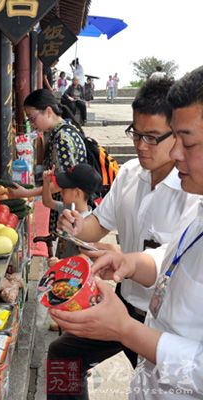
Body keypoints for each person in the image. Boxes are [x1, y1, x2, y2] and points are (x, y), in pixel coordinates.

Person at [51, 65, 203, 399]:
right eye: (135, 133)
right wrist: (84, 228)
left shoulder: (192, 194)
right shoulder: (131, 174)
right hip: (127, 307)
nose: (141, 146)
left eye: (153, 138)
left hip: (144, 325)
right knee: (63, 355)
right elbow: (101, 228)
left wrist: (125, 328)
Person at [9, 89, 87, 237]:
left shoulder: (62, 138)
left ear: (49, 111)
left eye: (32, 118)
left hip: (71, 211)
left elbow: (64, 182)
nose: (31, 124)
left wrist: (28, 192)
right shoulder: (64, 131)